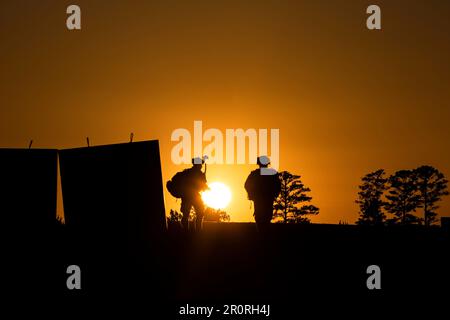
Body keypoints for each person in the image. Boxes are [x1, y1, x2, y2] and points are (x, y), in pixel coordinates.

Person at [245, 156, 281, 232]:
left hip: (259, 198)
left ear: (258, 163)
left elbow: (246, 185)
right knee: (266, 215)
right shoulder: (272, 174)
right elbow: (278, 185)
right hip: (268, 198)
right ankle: (264, 232)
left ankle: (261, 232)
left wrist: (251, 194)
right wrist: (275, 194)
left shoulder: (254, 174)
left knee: (259, 215)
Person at [178, 157, 208, 231]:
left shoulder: (188, 172)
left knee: (195, 213)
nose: (201, 166)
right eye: (200, 164)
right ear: (196, 165)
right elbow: (202, 185)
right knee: (192, 213)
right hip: (190, 196)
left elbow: (202, 186)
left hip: (190, 196)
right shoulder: (195, 173)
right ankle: (192, 231)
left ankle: (193, 231)